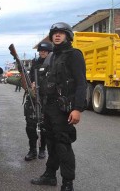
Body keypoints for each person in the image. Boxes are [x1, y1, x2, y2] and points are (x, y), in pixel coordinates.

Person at [31, 22, 86, 191]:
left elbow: (81, 83)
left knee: (63, 144)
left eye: (61, 33)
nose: (57, 35)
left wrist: (77, 108)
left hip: (64, 109)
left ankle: (68, 183)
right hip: (49, 107)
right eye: (55, 33)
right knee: (51, 142)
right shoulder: (52, 56)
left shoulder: (74, 55)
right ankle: (49, 175)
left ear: (68, 36)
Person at [23, 41, 53, 161]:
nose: (42, 53)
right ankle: (32, 150)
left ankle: (42, 149)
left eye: (44, 51)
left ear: (49, 52)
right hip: (33, 98)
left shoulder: (53, 63)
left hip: (46, 99)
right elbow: (29, 79)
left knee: (44, 126)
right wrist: (31, 85)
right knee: (30, 126)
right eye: (40, 51)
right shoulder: (35, 63)